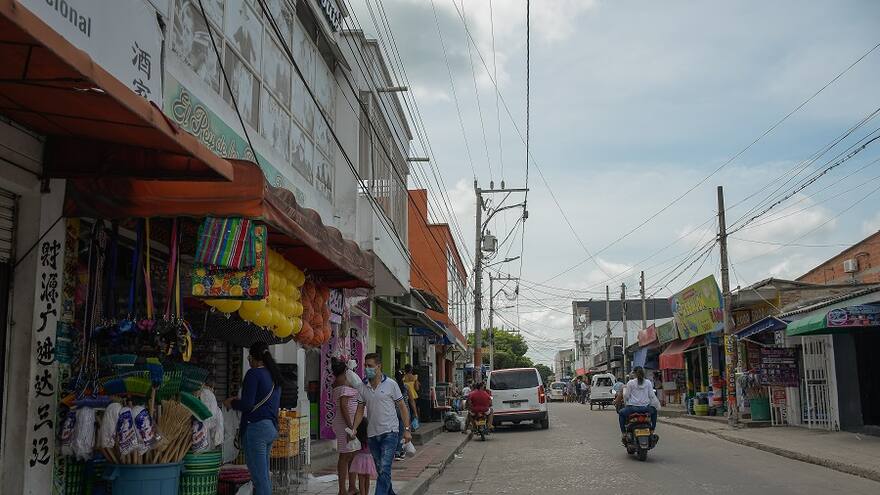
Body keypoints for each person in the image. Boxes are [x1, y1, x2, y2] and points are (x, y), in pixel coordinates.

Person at [346, 353, 412, 495]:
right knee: (381, 471)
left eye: (370, 366)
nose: (367, 368)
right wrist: (354, 428)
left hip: (390, 432)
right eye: (365, 366)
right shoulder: (363, 386)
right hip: (372, 435)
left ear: (378, 366)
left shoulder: (391, 384)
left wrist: (407, 429)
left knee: (384, 469)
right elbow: (359, 409)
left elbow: (402, 406)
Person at [224, 342, 283, 495]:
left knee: (259, 477)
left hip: (256, 429)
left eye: (249, 357)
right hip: (270, 428)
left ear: (255, 358)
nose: (248, 361)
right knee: (263, 475)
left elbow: (248, 405)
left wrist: (232, 402)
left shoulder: (253, 374)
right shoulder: (274, 375)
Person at [331, 359, 363, 495]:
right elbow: (344, 407)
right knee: (345, 455)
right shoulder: (343, 382)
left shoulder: (340, 381)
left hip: (350, 423)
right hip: (346, 424)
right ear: (345, 370)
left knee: (353, 454)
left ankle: (351, 487)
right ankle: (342, 490)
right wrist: (351, 428)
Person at [617, 367, 658, 442]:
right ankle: (652, 430)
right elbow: (651, 395)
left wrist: (625, 401)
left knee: (621, 413)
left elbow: (627, 396)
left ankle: (623, 433)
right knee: (654, 411)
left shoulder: (630, 383)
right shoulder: (648, 382)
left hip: (633, 408)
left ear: (634, 374)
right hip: (646, 408)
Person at [348, 419, 377, 495]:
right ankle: (366, 493)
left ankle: (362, 493)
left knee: (361, 479)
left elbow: (351, 446)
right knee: (367, 478)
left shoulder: (357, 438)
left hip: (359, 459)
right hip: (369, 459)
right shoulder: (370, 437)